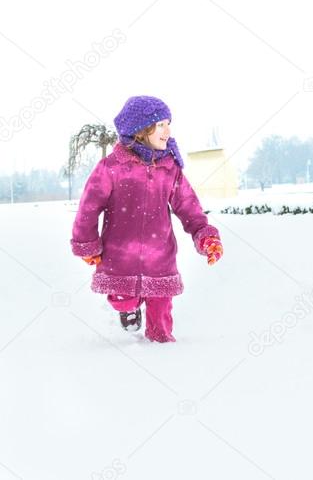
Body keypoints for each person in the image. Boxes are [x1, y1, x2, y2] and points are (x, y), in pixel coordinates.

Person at [70, 96, 223, 342]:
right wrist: (87, 244)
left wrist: (205, 237)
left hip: (160, 256)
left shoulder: (169, 168)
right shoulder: (111, 167)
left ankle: (162, 347)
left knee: (162, 313)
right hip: (120, 257)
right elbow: (89, 207)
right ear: (141, 130)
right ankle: (128, 308)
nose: (168, 131)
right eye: (161, 125)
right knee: (123, 299)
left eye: (168, 124)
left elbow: (188, 206)